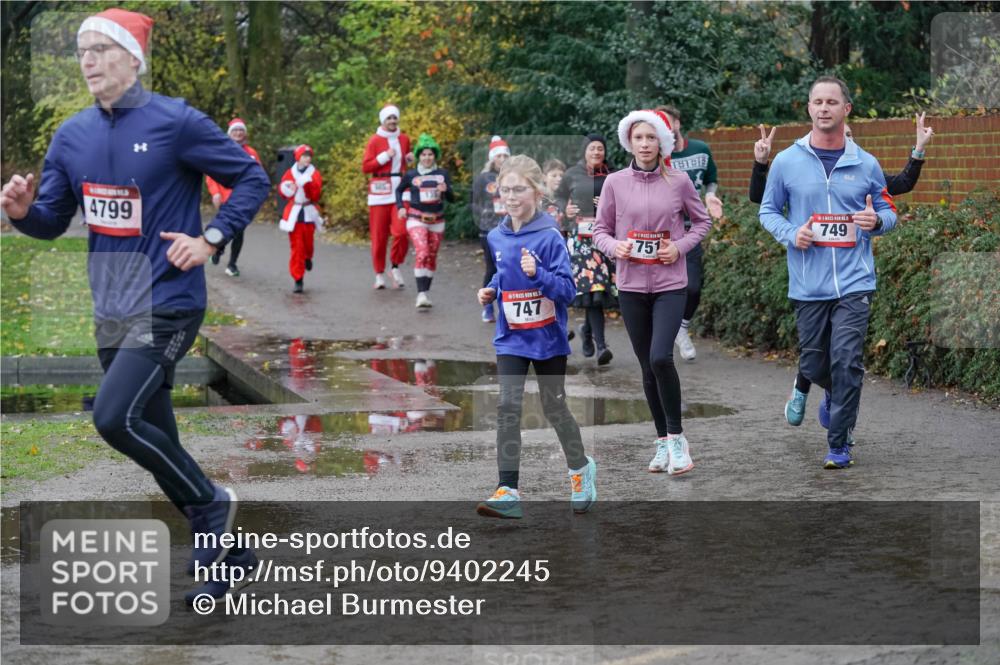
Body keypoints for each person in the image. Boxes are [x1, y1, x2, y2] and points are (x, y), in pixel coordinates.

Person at [0, 8, 269, 601]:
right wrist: (21, 214)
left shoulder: (177, 122)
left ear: (132, 59)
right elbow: (51, 219)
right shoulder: (71, 135)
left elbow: (251, 178)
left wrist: (212, 239)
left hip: (170, 299)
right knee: (154, 432)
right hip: (112, 305)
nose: (89, 60)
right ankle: (228, 557)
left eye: (101, 48)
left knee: (114, 417)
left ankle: (212, 506)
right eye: (82, 51)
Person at [759, 75, 897, 469]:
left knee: (848, 360)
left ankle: (839, 442)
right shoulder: (787, 161)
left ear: (846, 109)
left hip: (855, 281)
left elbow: (889, 211)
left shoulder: (866, 163)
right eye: (817, 102)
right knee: (815, 364)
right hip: (808, 283)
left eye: (831, 102)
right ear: (809, 109)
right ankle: (835, 398)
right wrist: (791, 233)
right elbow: (768, 211)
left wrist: (876, 222)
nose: (823, 108)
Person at [476, 155, 596, 519]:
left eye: (519, 190)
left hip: (547, 338)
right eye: (505, 190)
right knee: (507, 407)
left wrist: (538, 274)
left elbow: (567, 291)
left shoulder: (549, 237)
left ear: (537, 192)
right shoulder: (496, 235)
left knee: (554, 407)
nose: (511, 197)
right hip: (511, 336)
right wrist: (492, 290)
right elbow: (504, 273)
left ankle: (580, 470)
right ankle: (508, 489)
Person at [593, 109, 712, 475]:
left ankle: (678, 439)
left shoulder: (678, 182)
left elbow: (702, 222)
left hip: (669, 285)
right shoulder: (613, 182)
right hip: (630, 286)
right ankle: (661, 441)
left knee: (662, 357)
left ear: (662, 142)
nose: (645, 144)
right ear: (629, 141)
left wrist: (679, 247)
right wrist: (616, 248)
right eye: (638, 138)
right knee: (647, 367)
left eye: (651, 138)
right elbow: (600, 231)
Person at [657, 105, 724, 362]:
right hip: (664, 233)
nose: (666, 127)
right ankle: (664, 335)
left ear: (677, 122)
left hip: (691, 229)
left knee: (693, 287)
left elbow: (711, 178)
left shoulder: (701, 149)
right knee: (666, 287)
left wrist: (710, 196)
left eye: (669, 121)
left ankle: (681, 327)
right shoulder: (657, 157)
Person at [749, 112, 935, 204]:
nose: (845, 139)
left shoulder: (863, 170)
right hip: (809, 261)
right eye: (840, 134)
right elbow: (759, 197)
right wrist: (761, 163)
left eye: (849, 134)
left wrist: (919, 148)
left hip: (851, 264)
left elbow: (903, 183)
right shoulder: (799, 169)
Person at [556, 134, 616, 365]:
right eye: (592, 148)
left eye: (600, 149)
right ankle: (602, 346)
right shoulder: (572, 174)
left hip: (606, 238)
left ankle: (586, 331)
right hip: (581, 239)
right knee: (595, 287)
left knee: (599, 291)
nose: (597, 152)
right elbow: (559, 196)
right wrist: (565, 209)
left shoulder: (612, 174)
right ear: (585, 151)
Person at [395, 133, 454, 309]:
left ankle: (425, 292)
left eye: (430, 154)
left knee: (432, 256)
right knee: (422, 251)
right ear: (419, 156)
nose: (427, 158)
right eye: (423, 154)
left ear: (434, 155)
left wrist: (446, 190)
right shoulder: (411, 174)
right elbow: (399, 190)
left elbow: (451, 199)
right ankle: (420, 294)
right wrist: (400, 207)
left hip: (437, 219)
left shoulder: (442, 174)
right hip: (416, 218)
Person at [205, 117, 264, 277]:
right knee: (224, 228)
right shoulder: (222, 151)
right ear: (230, 134)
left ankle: (232, 264)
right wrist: (215, 193)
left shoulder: (252, 153)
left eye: (241, 130)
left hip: (243, 199)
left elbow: (259, 176)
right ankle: (216, 250)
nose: (238, 133)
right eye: (235, 130)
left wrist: (256, 198)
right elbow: (211, 174)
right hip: (225, 197)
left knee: (239, 231)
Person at [363, 104, 413, 289]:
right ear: (383, 121)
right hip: (379, 191)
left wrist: (409, 159)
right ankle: (378, 273)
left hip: (400, 189)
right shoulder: (375, 140)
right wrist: (384, 156)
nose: (392, 121)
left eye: (394, 118)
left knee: (401, 231)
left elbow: (406, 161)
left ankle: (395, 265)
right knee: (379, 235)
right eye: (389, 118)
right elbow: (366, 167)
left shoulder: (404, 138)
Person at [470, 135, 510, 322]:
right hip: (488, 230)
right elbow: (474, 203)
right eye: (499, 156)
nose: (502, 159)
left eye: (505, 156)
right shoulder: (483, 179)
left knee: (509, 268)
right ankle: (487, 307)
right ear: (492, 158)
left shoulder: (513, 178)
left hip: (510, 230)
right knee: (492, 268)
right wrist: (485, 212)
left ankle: (507, 307)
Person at [279, 144, 323, 293]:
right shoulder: (289, 173)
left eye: (309, 156)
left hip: (309, 212)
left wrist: (308, 184)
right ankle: (298, 279)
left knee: (308, 244)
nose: (307, 159)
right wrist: (286, 188)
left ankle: (308, 257)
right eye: (304, 156)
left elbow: (316, 195)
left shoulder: (314, 173)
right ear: (298, 157)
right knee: (296, 247)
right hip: (294, 213)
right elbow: (283, 192)